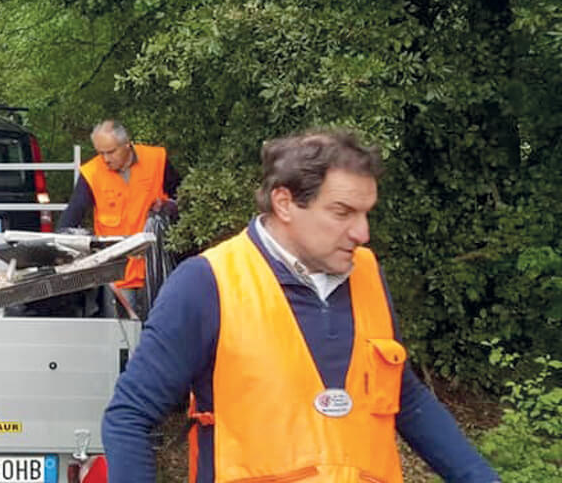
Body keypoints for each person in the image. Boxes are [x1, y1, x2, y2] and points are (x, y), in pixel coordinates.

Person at [101, 130, 499, 482]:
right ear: (285, 203)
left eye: (365, 214)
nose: (362, 232)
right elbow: (129, 417)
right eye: (343, 212)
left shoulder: (367, 274)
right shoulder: (207, 283)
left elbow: (403, 396)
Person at [58, 120, 179, 290]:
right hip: (116, 279)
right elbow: (69, 219)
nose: (106, 159)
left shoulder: (156, 159)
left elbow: (182, 197)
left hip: (156, 272)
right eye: (100, 153)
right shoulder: (92, 173)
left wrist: (168, 207)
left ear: (127, 145)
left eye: (111, 152)